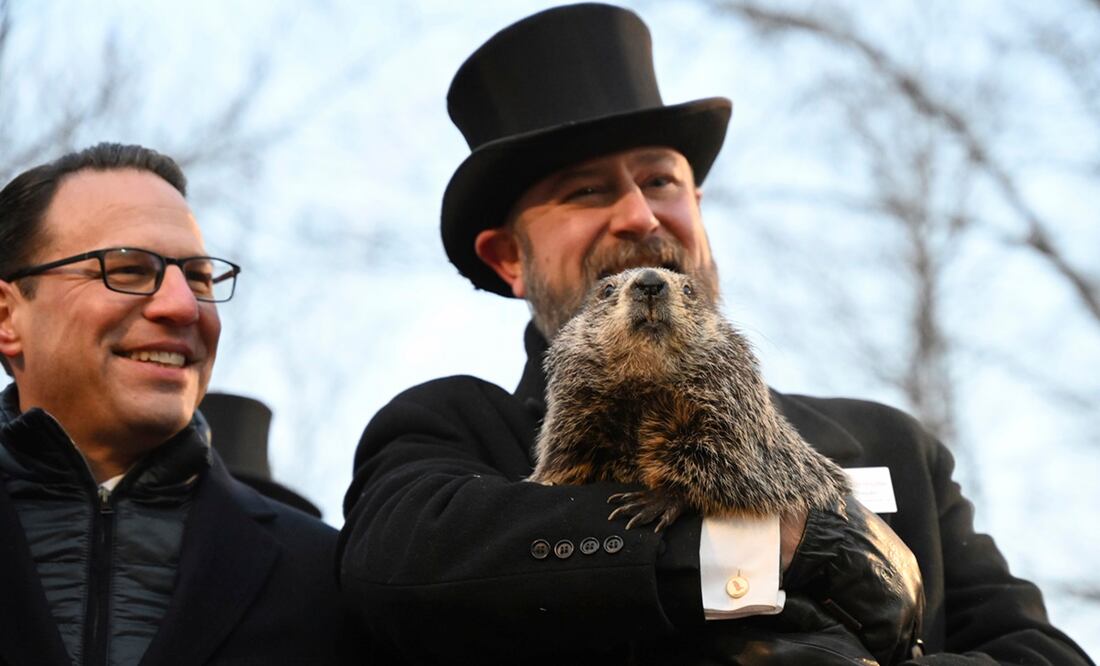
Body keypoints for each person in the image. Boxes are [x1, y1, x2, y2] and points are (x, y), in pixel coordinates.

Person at [338, 4, 1093, 665]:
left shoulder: (892, 444)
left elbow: (1041, 652)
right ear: (509, 258)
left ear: (697, 208)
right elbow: (400, 570)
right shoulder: (454, 431)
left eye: (661, 180)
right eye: (587, 191)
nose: (639, 215)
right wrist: (766, 545)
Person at [0, 143, 358, 665]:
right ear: (8, 317)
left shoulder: (328, 580)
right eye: (126, 269)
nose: (183, 306)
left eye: (199, 278)